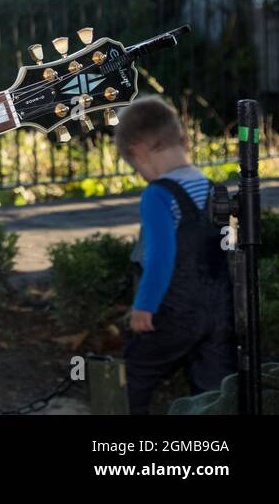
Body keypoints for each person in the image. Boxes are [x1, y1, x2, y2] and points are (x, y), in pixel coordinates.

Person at [115, 96, 236, 414]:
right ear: (182, 140)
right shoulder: (213, 189)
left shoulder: (157, 195)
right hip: (221, 310)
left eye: (135, 167)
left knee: (136, 370)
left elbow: (161, 257)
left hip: (176, 311)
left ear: (137, 152)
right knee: (215, 388)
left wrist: (144, 306)